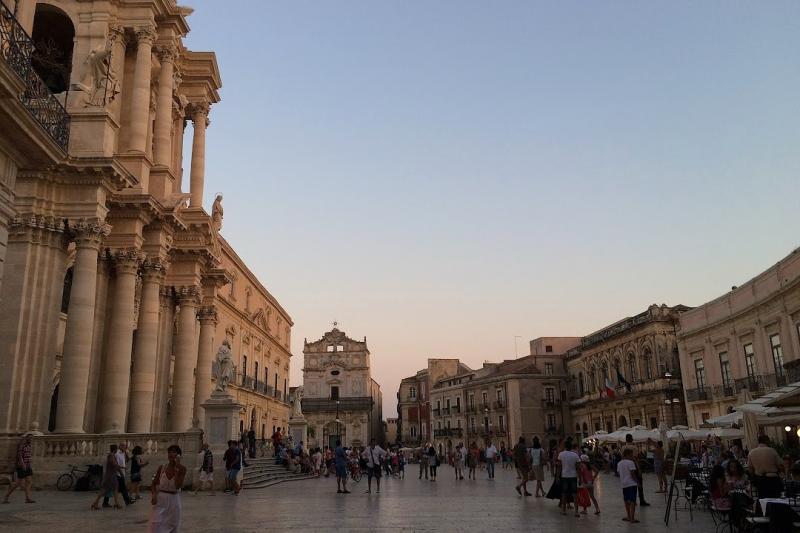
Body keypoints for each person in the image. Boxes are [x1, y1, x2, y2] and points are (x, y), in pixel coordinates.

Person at [149, 444, 187, 533]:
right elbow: (153, 484)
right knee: (155, 526)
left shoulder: (182, 469)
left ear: (178, 455)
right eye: (169, 452)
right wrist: (154, 495)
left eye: (174, 452)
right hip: (161, 500)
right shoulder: (162, 467)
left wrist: (177, 468)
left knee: (173, 527)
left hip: (174, 501)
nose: (171, 454)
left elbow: (178, 486)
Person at [3, 434, 35, 504]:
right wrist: (22, 464)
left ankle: (27, 498)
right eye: (29, 438)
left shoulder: (29, 446)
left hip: (28, 466)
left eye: (32, 438)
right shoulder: (22, 445)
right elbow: (20, 455)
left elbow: (28, 455)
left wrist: (29, 463)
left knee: (29, 481)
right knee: (18, 483)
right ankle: (6, 496)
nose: (31, 439)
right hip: (22, 466)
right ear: (26, 438)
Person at [92, 445, 122, 510]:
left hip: (112, 475)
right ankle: (95, 503)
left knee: (115, 489)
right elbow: (114, 463)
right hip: (110, 476)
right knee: (105, 489)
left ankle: (117, 503)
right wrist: (121, 467)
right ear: (115, 449)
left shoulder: (112, 455)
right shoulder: (111, 455)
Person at [622, 434, 649, 506]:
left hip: (625, 467)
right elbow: (636, 458)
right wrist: (639, 469)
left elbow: (623, 457)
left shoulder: (623, 447)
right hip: (634, 466)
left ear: (626, 439)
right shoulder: (634, 447)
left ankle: (632, 500)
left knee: (630, 484)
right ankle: (642, 500)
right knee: (639, 483)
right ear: (632, 439)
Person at [104, 442, 133, 507]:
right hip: (117, 473)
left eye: (125, 446)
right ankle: (127, 501)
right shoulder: (116, 454)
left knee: (111, 488)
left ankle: (105, 502)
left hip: (121, 472)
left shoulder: (124, 453)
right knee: (123, 488)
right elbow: (115, 464)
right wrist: (120, 471)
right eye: (123, 446)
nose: (124, 447)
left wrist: (126, 452)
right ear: (119, 446)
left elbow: (128, 460)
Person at [557, 440, 581, 517]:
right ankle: (576, 512)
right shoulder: (575, 455)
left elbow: (559, 467)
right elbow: (578, 468)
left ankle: (564, 510)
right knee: (575, 494)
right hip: (573, 476)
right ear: (571, 447)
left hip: (564, 476)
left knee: (564, 494)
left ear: (565, 447)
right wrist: (580, 477)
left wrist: (557, 476)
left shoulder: (561, 454)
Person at [618, 447, 640, 523]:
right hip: (631, 483)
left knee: (626, 500)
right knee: (633, 501)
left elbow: (619, 473)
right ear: (627, 454)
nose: (632, 456)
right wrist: (637, 481)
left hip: (624, 484)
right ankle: (632, 518)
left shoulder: (619, 463)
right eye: (631, 455)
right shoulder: (631, 463)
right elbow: (632, 474)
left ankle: (628, 516)